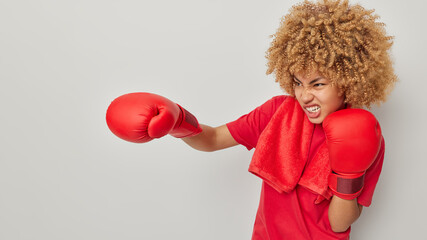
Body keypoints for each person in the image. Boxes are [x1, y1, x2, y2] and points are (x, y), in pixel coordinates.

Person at [105, 0, 397, 239]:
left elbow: (338, 224)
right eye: (297, 82)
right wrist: (178, 121)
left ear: (347, 80)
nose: (304, 96)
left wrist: (348, 175)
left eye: (318, 84)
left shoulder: (366, 135)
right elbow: (213, 139)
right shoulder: (278, 112)